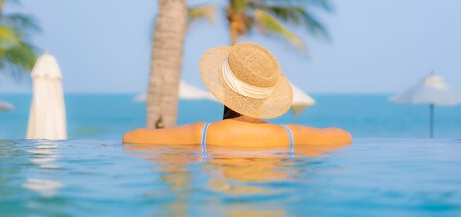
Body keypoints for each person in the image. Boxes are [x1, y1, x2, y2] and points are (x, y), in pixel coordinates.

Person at [123, 42, 352, 148]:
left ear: (222, 87)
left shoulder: (202, 134)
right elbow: (344, 137)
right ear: (268, 95)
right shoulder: (289, 136)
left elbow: (131, 138)